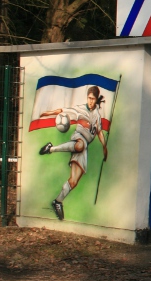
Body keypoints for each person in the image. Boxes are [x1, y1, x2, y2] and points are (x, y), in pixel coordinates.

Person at [38, 86, 108, 220]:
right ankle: (51, 149)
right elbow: (62, 110)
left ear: (96, 99)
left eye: (93, 99)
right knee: (80, 145)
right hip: (78, 138)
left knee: (74, 181)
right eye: (89, 98)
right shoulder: (80, 109)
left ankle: (57, 201)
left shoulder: (97, 116)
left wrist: (104, 146)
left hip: (84, 147)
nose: (90, 101)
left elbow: (99, 132)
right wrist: (48, 113)